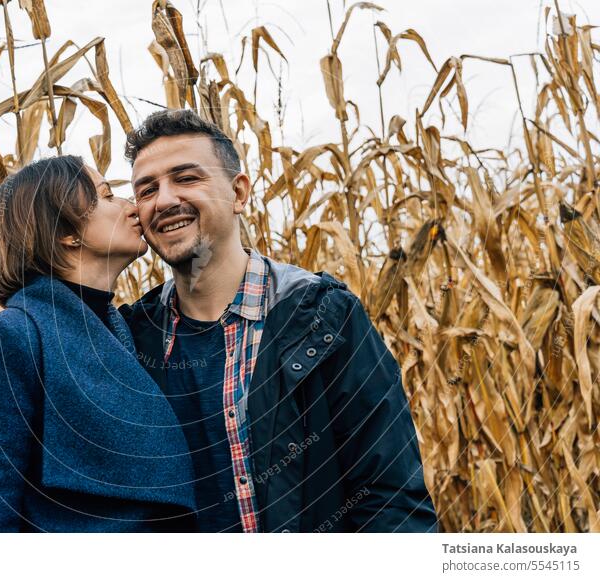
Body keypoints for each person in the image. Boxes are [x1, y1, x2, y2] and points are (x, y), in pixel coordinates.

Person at [120, 108, 439, 532]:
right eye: (146, 190)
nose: (163, 200)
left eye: (186, 178)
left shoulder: (324, 316)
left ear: (238, 193)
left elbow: (391, 498)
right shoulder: (131, 339)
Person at [0, 155, 196, 532]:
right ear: (66, 231)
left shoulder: (129, 332)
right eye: (107, 196)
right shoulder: (3, 338)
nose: (131, 206)